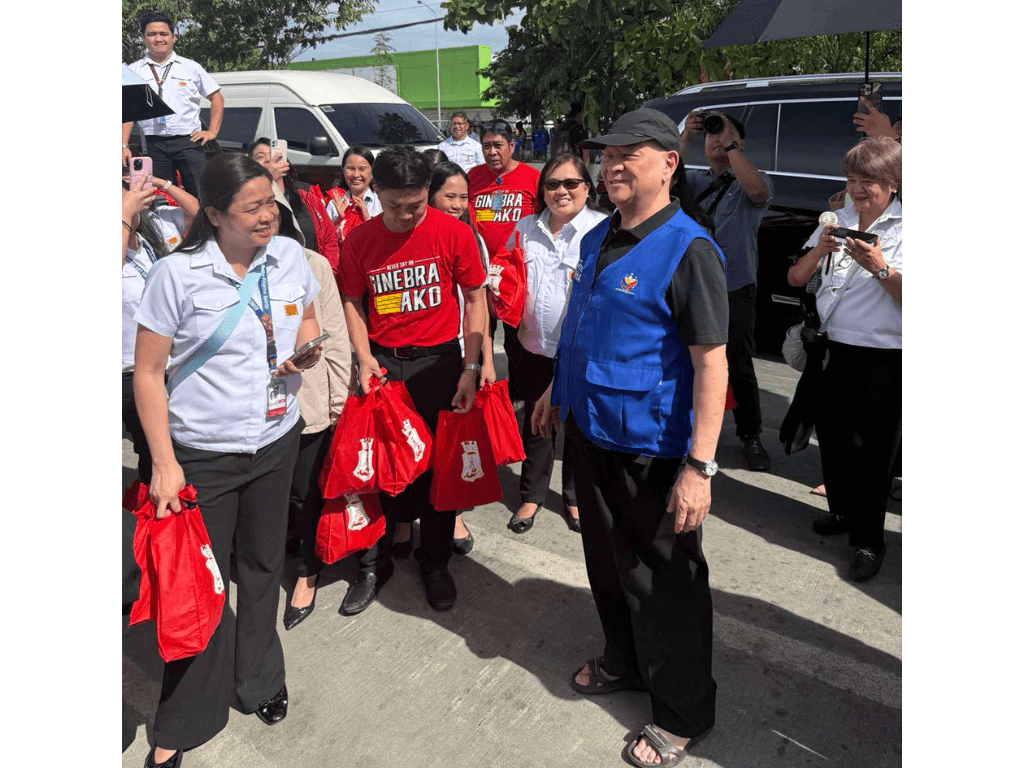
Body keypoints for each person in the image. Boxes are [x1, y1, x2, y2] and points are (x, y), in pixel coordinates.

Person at [536, 108, 728, 768]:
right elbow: (585, 328)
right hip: (594, 437)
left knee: (665, 584)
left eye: (630, 153)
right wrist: (555, 392)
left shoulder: (688, 249)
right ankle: (625, 662)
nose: (612, 164)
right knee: (609, 567)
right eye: (607, 153)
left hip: (654, 449)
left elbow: (712, 364)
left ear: (670, 163)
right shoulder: (598, 238)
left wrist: (699, 468)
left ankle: (682, 713)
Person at [133, 154, 324, 768]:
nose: (269, 214)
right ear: (213, 216)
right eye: (253, 207)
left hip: (275, 440)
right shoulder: (177, 276)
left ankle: (260, 678)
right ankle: (186, 716)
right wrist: (164, 464)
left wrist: (305, 349)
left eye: (271, 201)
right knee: (199, 587)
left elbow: (310, 317)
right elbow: (149, 373)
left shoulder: (290, 256)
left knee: (264, 564)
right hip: (203, 456)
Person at [336, 146, 488, 613]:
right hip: (384, 368)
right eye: (394, 205)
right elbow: (352, 303)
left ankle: (435, 559)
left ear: (427, 192)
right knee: (377, 468)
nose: (404, 216)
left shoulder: (452, 233)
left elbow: (476, 298)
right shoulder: (359, 241)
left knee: (440, 470)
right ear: (374, 190)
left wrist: (471, 366)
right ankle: (372, 564)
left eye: (416, 205)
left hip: (441, 365)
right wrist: (363, 359)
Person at [786, 137, 902, 583]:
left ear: (892, 184)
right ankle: (841, 511)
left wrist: (879, 267)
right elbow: (796, 277)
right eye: (852, 179)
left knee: (872, 453)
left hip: (882, 355)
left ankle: (870, 541)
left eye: (868, 181)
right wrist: (819, 250)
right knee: (832, 438)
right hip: (831, 347)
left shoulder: (908, 228)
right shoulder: (838, 220)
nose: (858, 189)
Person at [504, 154, 606, 537]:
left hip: (579, 352)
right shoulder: (525, 227)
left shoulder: (602, 230)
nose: (561, 191)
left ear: (587, 188)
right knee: (536, 422)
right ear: (541, 190)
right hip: (532, 347)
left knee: (577, 428)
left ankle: (575, 496)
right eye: (552, 184)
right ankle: (531, 494)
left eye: (570, 184)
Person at [270, 209, 353, 631]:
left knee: (305, 492)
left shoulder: (313, 264)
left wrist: (339, 404)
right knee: (272, 493)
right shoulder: (229, 267)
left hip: (309, 402)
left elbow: (334, 335)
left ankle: (307, 570)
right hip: (256, 411)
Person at [680, 110, 774, 471]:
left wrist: (732, 148)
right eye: (712, 134)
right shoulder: (696, 181)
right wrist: (686, 135)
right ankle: (692, 432)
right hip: (692, 285)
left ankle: (750, 434)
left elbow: (758, 191)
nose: (717, 140)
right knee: (691, 360)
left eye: (728, 134)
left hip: (735, 286)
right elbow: (666, 178)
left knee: (738, 363)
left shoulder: (752, 178)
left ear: (742, 142)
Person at [467, 120, 541, 403]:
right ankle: (478, 394)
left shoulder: (531, 178)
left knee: (516, 341)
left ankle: (518, 397)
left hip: (515, 276)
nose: (492, 152)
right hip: (479, 273)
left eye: (498, 145)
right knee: (479, 335)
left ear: (512, 145)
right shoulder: (472, 177)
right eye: (486, 146)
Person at [123, 11, 223, 198]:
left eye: (163, 34)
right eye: (152, 34)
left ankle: (202, 228)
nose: (158, 38)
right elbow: (127, 111)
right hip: (153, 144)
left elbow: (217, 98)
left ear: (173, 37)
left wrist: (212, 132)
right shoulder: (133, 70)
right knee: (160, 198)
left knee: (201, 196)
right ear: (144, 39)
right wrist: (123, 145)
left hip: (189, 142)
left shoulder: (190, 67)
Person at [250, 138, 340, 270]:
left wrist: (327, 271)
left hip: (311, 277)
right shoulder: (247, 200)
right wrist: (269, 180)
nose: (269, 160)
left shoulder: (306, 194)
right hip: (270, 278)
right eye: (261, 157)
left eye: (273, 154)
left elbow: (329, 238)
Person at [325, 146, 382, 244]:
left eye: (362, 169)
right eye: (351, 169)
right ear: (343, 170)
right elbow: (325, 239)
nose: (356, 175)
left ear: (372, 171)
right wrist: (340, 220)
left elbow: (385, 238)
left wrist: (367, 218)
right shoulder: (334, 203)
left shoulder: (381, 201)